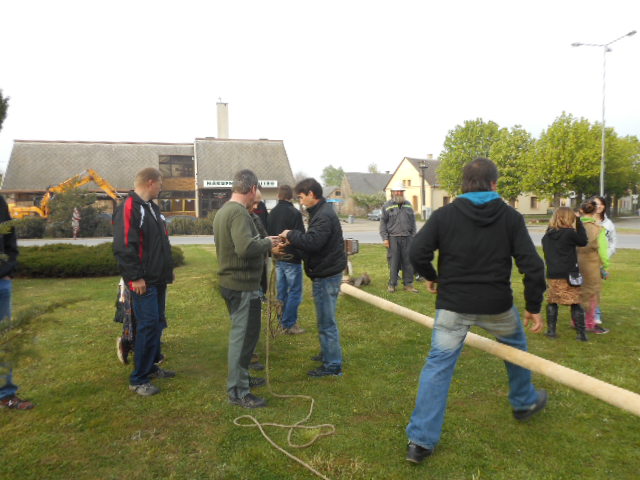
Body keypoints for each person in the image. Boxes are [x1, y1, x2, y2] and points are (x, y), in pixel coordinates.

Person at [405, 158, 547, 464]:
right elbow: (533, 266)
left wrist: (431, 276)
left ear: (464, 184)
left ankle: (420, 442)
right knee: (516, 349)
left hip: (454, 306)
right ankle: (524, 402)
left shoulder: (444, 215)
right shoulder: (511, 217)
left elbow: (416, 252)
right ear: (494, 184)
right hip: (495, 306)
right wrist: (534, 306)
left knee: (438, 367)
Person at [213, 169, 280, 408]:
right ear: (252, 189)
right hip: (241, 286)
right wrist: (267, 243)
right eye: (257, 191)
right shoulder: (238, 212)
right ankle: (238, 392)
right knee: (241, 340)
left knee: (247, 336)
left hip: (234, 284)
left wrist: (262, 243)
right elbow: (244, 248)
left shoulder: (224, 211)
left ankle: (242, 380)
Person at [113, 167, 175, 397]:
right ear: (150, 182)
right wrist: (135, 277)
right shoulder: (130, 206)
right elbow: (124, 246)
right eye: (160, 183)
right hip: (143, 281)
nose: (161, 187)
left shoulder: (151, 208)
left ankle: (151, 366)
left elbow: (160, 243)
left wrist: (167, 272)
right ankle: (138, 379)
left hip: (158, 279)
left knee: (156, 324)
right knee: (147, 326)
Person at [279, 178, 346, 377]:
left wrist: (290, 234)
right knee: (325, 320)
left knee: (326, 322)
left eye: (301, 197)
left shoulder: (323, 215)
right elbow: (313, 244)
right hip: (325, 273)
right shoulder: (320, 212)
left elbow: (314, 242)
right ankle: (328, 353)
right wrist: (291, 244)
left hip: (327, 275)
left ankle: (332, 365)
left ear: (311, 194)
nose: (300, 201)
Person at [0, 195, 34, 410]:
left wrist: (9, 269)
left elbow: (9, 235)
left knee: (4, 340)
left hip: (1, 282)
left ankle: (6, 395)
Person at [541, 207, 589, 341]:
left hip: (552, 274)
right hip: (569, 274)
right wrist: (579, 222)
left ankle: (551, 332)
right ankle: (581, 334)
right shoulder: (569, 233)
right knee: (575, 302)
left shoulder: (547, 235)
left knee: (552, 301)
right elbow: (583, 241)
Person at [267, 185, 306, 334]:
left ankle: (281, 320)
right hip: (292, 258)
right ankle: (289, 324)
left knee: (281, 292)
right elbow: (300, 237)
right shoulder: (294, 213)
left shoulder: (272, 213)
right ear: (291, 197)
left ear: (278, 195)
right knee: (295, 292)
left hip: (278, 258)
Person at [578, 200, 610, 334]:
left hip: (576, 263)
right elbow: (603, 250)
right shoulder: (598, 229)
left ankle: (576, 321)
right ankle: (590, 324)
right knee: (592, 294)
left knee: (579, 293)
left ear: (581, 211)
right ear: (594, 211)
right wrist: (605, 265)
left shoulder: (574, 226)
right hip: (591, 264)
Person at [380, 183, 418, 293]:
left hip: (407, 237)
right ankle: (392, 284)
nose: (399, 193)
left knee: (408, 262)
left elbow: (413, 222)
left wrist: (413, 236)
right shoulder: (387, 205)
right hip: (393, 238)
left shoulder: (408, 205)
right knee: (394, 262)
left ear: (403, 192)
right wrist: (385, 238)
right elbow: (383, 223)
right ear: (393, 192)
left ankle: (408, 285)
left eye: (401, 191)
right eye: (397, 191)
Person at [591, 196, 616, 326]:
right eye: (596, 204)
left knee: (595, 289)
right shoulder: (585, 221)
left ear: (605, 206)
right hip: (585, 260)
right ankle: (581, 316)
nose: (599, 206)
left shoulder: (608, 224)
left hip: (600, 261)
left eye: (601, 204)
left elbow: (613, 242)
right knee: (583, 289)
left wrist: (606, 255)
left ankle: (596, 314)